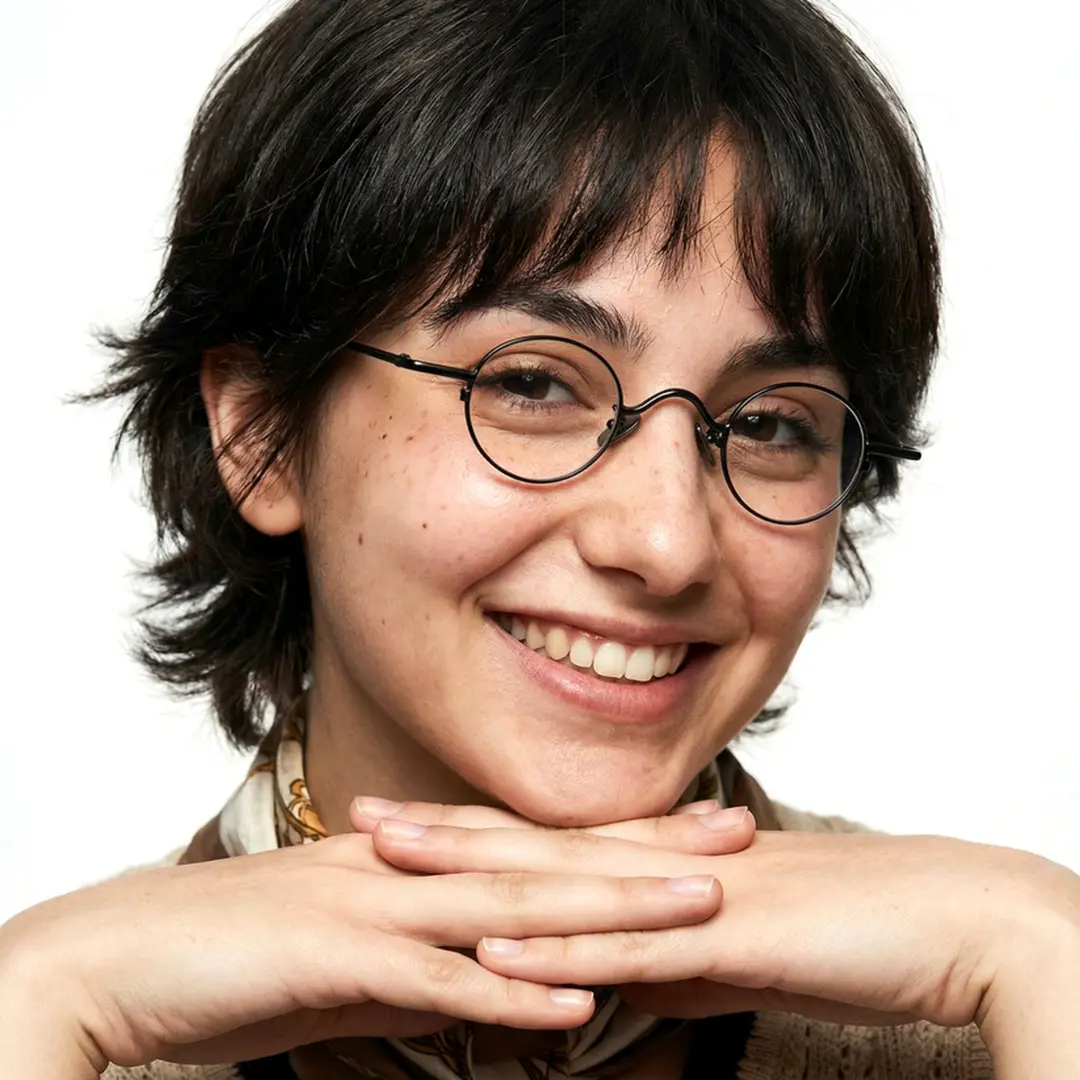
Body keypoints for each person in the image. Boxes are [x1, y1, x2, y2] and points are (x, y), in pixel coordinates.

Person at [2, 0, 1077, 1077]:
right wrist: (38, 1005)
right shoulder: (62, 1023)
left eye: (767, 424)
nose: (667, 541)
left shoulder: (995, 1010)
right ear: (266, 434)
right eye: (531, 383)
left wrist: (1044, 951)